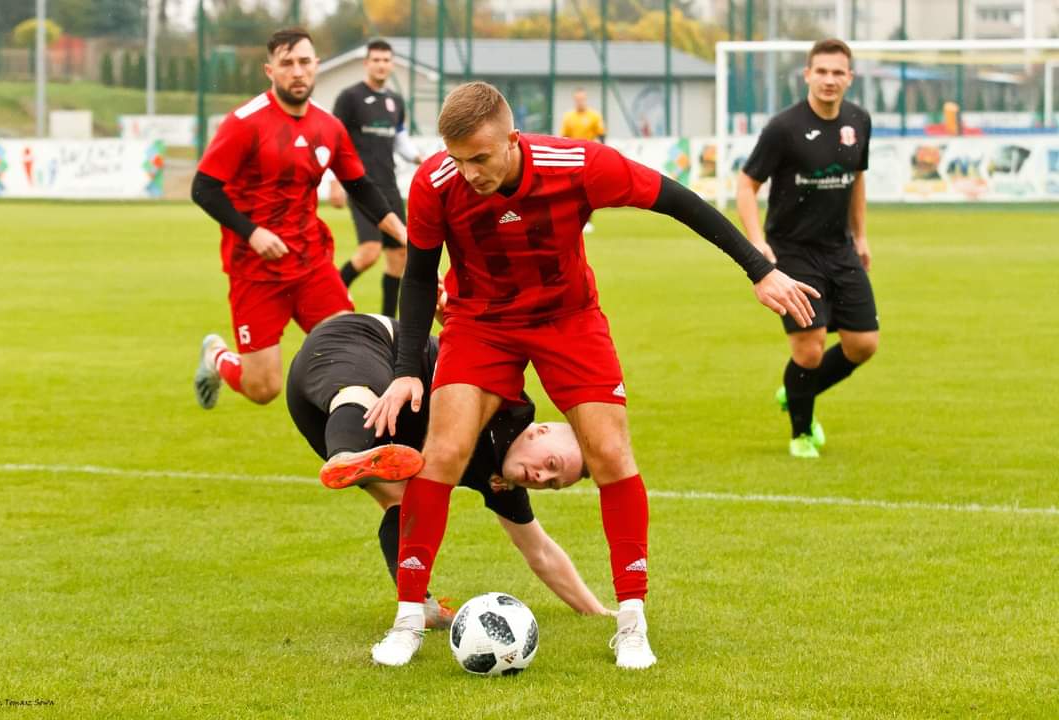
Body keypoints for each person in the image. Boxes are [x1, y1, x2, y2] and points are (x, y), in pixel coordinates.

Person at [362, 81, 819, 670]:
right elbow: (420, 275)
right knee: (444, 452)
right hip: (481, 324)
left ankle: (632, 622)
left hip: (568, 321)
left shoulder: (578, 164)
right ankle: (407, 620)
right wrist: (407, 370)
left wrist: (759, 270)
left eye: (480, 158)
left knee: (609, 453)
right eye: (457, 158)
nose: (468, 172)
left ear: (512, 140)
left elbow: (679, 201)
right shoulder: (435, 182)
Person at [285, 312, 611, 624]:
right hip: (360, 343)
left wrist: (597, 612)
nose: (541, 477)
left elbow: (540, 551)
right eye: (551, 464)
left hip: (314, 415)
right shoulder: (506, 402)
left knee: (403, 503)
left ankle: (420, 604)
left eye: (552, 483)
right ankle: (345, 456)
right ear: (540, 431)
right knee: (364, 396)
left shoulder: (502, 479)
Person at [190, 28, 406, 410]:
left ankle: (347, 438)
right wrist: (252, 233)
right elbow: (204, 188)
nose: (297, 71)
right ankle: (217, 357)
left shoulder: (329, 126)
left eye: (304, 62)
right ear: (270, 70)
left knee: (351, 353)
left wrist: (404, 234)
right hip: (255, 270)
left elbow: (360, 187)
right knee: (263, 388)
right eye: (286, 63)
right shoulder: (245, 122)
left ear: (316, 66)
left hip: (311, 264)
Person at [736, 38, 878, 459]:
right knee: (809, 347)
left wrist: (862, 235)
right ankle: (801, 433)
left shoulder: (859, 121)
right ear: (807, 75)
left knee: (863, 345)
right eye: (822, 72)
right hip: (792, 250)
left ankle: (798, 389)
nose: (829, 80)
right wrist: (757, 241)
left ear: (849, 78)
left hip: (840, 248)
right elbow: (746, 184)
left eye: (838, 73)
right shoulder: (784, 128)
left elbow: (856, 179)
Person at [331, 39, 422, 317]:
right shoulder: (350, 98)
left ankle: (387, 321)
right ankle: (329, 300)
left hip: (389, 186)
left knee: (400, 254)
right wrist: (335, 182)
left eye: (386, 60)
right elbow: (335, 140)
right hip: (361, 187)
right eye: (376, 60)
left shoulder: (395, 102)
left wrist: (421, 159)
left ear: (391, 64)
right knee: (370, 251)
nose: (381, 65)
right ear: (366, 63)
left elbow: (400, 140)